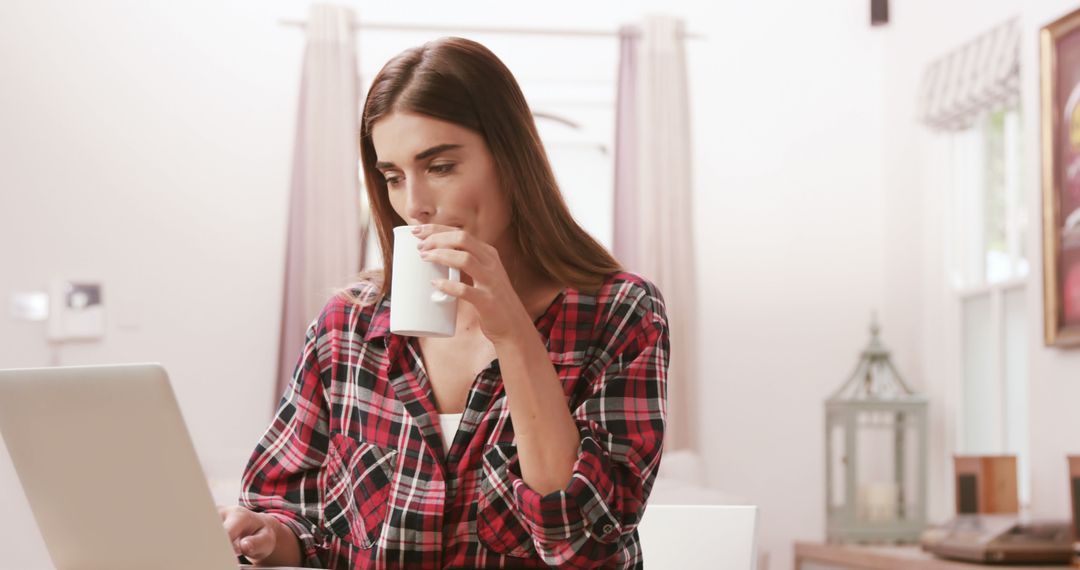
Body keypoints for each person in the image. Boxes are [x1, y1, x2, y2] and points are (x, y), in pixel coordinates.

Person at [218, 36, 670, 569]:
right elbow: (293, 509)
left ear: (510, 157)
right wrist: (270, 536)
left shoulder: (620, 313)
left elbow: (580, 547)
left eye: (440, 167)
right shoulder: (349, 326)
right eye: (392, 177)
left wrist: (515, 336)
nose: (415, 205)